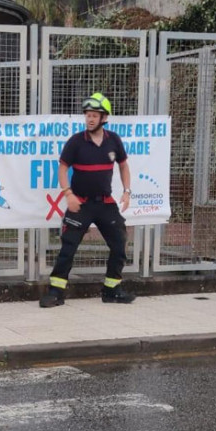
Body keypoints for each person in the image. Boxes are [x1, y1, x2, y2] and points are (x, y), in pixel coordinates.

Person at [40, 93, 136, 308]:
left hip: (105, 204)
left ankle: (112, 290)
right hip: (79, 203)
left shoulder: (114, 140)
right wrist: (68, 194)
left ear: (104, 118)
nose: (90, 119)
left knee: (119, 245)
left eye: (94, 115)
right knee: (68, 249)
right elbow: (63, 168)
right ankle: (55, 292)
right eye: (87, 115)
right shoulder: (76, 141)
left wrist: (127, 191)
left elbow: (123, 165)